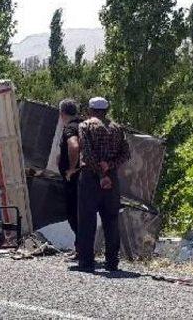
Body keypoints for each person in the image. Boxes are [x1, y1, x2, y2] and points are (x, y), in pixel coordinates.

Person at [75, 97, 130, 273]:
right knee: (111, 220)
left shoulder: (85, 126)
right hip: (111, 178)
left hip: (91, 177)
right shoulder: (117, 128)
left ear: (90, 110)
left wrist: (100, 174)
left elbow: (87, 153)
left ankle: (86, 262)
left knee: (87, 220)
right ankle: (112, 262)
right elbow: (126, 154)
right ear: (107, 110)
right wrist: (109, 167)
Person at [57, 99, 82, 257]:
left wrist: (71, 169)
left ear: (62, 114)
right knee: (82, 213)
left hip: (74, 180)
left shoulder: (70, 128)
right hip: (87, 178)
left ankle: (82, 249)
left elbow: (74, 146)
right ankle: (82, 247)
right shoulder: (83, 125)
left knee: (73, 214)